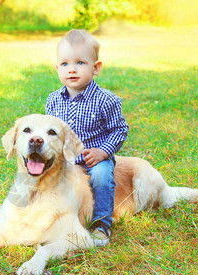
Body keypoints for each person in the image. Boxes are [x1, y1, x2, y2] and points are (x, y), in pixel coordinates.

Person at [46, 29, 129, 246]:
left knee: (102, 178)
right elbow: (50, 132)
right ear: (57, 68)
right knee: (42, 177)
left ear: (96, 67)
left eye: (80, 62)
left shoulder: (106, 100)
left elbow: (120, 130)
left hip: (96, 159)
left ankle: (101, 225)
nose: (71, 69)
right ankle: (38, 214)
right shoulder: (53, 100)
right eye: (64, 64)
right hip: (65, 158)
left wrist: (103, 152)